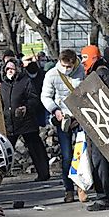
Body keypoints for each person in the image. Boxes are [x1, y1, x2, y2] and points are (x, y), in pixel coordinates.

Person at [80, 45, 109, 211]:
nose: (82, 61)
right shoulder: (96, 73)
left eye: (85, 57)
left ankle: (104, 198)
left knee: (99, 162)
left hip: (101, 127)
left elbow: (106, 99)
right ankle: (108, 192)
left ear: (93, 57)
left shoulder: (102, 73)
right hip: (97, 125)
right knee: (96, 161)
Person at [41, 49, 85, 202]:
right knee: (67, 156)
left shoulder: (82, 71)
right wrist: (55, 110)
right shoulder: (52, 74)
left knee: (83, 154)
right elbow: (45, 96)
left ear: (74, 63)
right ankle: (69, 189)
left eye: (69, 66)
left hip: (80, 117)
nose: (66, 69)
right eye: (63, 65)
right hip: (63, 118)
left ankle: (83, 186)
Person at [1, 58, 51, 182]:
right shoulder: (2, 85)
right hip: (9, 122)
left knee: (35, 147)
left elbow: (34, 99)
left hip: (26, 121)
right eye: (7, 68)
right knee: (5, 149)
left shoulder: (26, 81)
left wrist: (26, 107)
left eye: (12, 68)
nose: (10, 71)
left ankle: (44, 173)